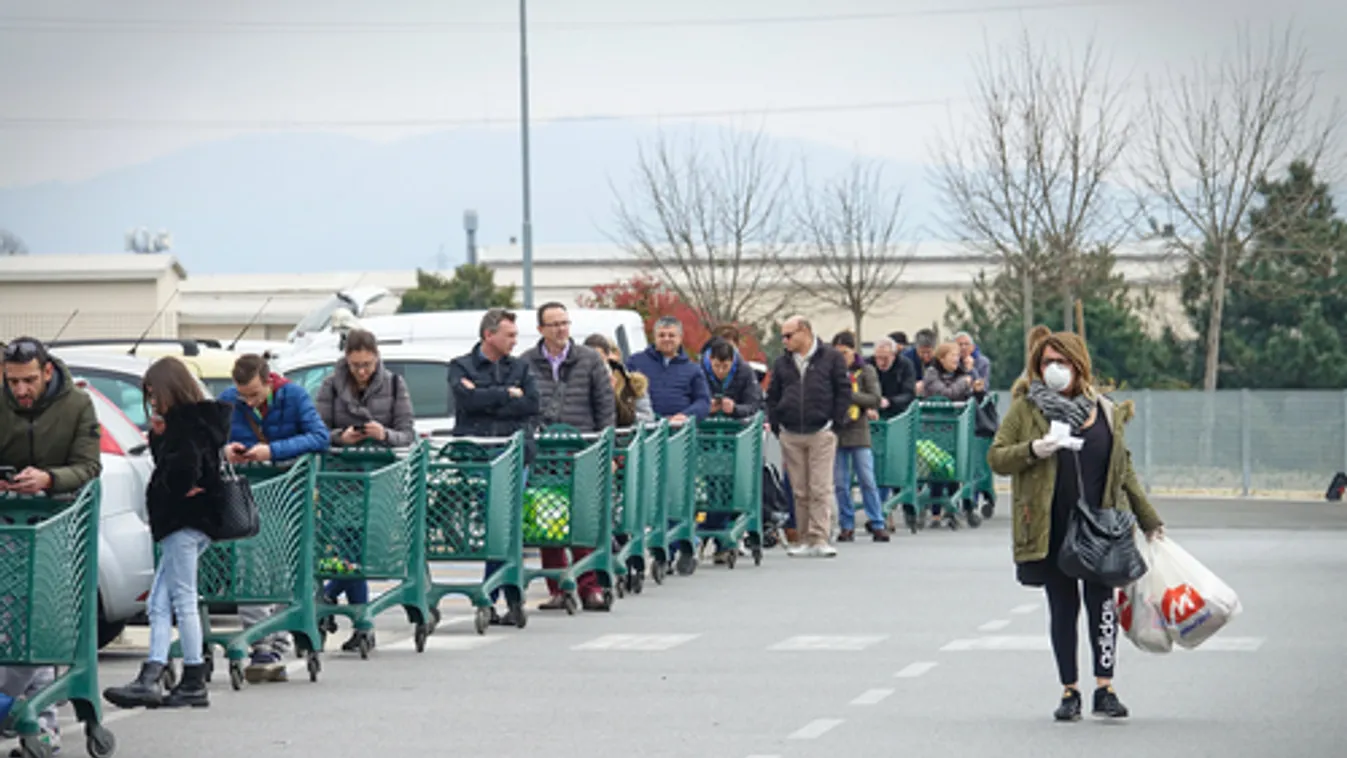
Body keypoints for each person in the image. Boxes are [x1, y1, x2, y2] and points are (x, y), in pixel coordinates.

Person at [987, 330, 1164, 722]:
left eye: (1061, 362)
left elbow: (1124, 469)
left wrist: (1148, 518)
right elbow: (997, 457)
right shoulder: (1026, 408)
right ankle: (1070, 690)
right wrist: (1034, 449)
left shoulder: (1104, 410)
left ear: (1078, 364)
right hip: (1051, 526)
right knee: (1062, 607)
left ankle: (1106, 688)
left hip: (1101, 527)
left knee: (1103, 606)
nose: (1053, 369)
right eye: (1046, 362)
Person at [104, 357, 232, 710]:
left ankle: (181, 676)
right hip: (197, 522)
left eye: (153, 394)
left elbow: (180, 474)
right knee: (162, 603)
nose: (152, 402)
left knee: (180, 600)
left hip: (182, 522)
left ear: (168, 389)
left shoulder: (184, 426)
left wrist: (168, 484)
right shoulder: (201, 421)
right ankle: (160, 673)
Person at [0, 338, 102, 754]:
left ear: (46, 372)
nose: (20, 390)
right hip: (7, 520)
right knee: (11, 614)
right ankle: (25, 713)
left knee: (41, 618)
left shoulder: (77, 404)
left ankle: (39, 719)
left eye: (28, 381)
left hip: (58, 522)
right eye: (12, 381)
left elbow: (89, 465)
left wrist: (49, 479)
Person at [217, 353, 329, 683]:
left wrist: (273, 450)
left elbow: (320, 437)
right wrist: (227, 451)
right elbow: (211, 438)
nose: (248, 401)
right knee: (248, 563)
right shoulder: (227, 401)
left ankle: (277, 638)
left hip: (288, 493)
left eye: (254, 394)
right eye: (243, 395)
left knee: (281, 565)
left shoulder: (293, 396)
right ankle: (258, 641)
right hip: (247, 493)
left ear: (269, 382)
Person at [314, 329, 416, 652]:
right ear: (346, 359)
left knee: (365, 551)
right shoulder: (330, 385)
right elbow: (318, 432)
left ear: (376, 358)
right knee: (349, 548)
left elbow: (408, 434)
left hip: (381, 479)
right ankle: (363, 624)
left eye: (367, 364)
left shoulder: (395, 384)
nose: (361, 371)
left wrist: (382, 433)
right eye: (356, 364)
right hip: (341, 479)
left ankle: (330, 595)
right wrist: (340, 437)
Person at [522, 303, 616, 612]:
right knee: (548, 522)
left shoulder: (588, 360)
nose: (561, 329)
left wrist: (607, 450)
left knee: (582, 520)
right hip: (545, 455)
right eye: (554, 324)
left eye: (565, 323)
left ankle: (590, 587)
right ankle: (559, 588)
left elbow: (605, 407)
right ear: (541, 330)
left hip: (581, 452)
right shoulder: (526, 363)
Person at [449, 308, 540, 626]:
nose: (515, 341)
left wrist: (486, 397)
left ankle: (504, 596)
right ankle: (498, 595)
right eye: (510, 335)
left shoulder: (521, 367)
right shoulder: (461, 365)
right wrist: (505, 394)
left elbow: (531, 404)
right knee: (497, 526)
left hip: (515, 456)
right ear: (489, 335)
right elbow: (467, 403)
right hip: (478, 458)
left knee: (507, 528)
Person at [765, 316, 850, 558]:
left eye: (789, 335)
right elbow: (773, 394)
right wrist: (777, 423)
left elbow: (843, 390)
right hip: (791, 432)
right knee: (799, 489)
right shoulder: (783, 362)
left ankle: (820, 536)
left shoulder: (831, 357)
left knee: (820, 487)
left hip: (821, 430)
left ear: (804, 332)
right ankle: (803, 537)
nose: (785, 341)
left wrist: (836, 423)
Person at [699, 336, 766, 561]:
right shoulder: (699, 371)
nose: (720, 371)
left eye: (725, 367)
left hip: (735, 439)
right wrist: (705, 407)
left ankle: (722, 537)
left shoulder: (745, 372)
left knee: (732, 488)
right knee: (711, 487)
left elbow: (755, 404)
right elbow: (692, 401)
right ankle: (717, 536)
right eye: (716, 366)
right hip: (706, 439)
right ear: (710, 360)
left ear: (732, 362)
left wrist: (735, 408)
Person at [829, 332, 888, 542]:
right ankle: (847, 524)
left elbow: (874, 398)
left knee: (867, 478)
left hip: (859, 430)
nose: (841, 357)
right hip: (838, 430)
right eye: (837, 353)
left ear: (853, 350)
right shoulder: (831, 371)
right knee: (840, 482)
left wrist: (849, 395)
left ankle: (877, 521)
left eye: (844, 352)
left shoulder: (866, 370)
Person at [626, 316, 710, 423]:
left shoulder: (693, 369)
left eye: (671, 335)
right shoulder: (635, 362)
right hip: (644, 429)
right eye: (661, 335)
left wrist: (686, 415)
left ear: (680, 338)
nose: (666, 339)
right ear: (654, 337)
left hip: (680, 432)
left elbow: (703, 401)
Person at [583, 334, 653, 426]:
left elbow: (647, 418)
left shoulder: (634, 383)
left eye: (599, 357)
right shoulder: (577, 381)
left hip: (626, 438)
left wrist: (611, 395)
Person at [870, 336, 917, 419]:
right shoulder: (868, 365)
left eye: (885, 358)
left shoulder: (905, 365)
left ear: (893, 356)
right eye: (878, 358)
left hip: (898, 413)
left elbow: (909, 393)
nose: (881, 363)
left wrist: (890, 401)